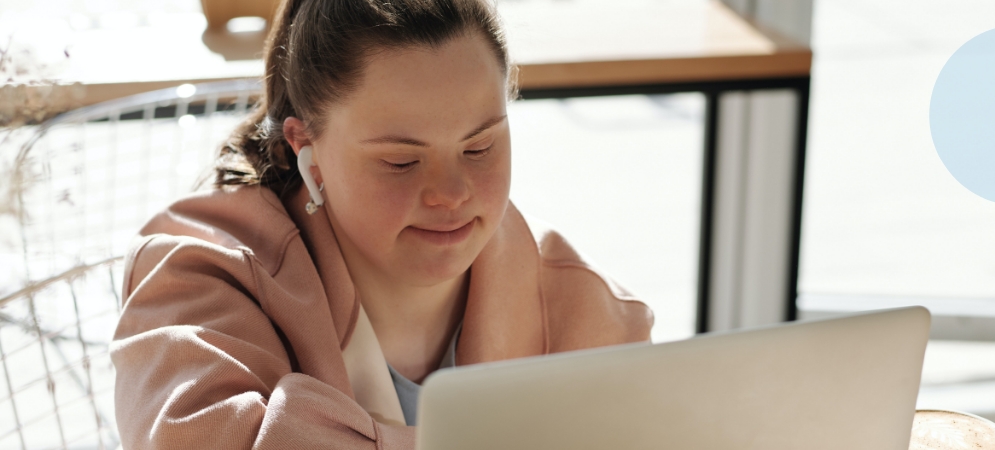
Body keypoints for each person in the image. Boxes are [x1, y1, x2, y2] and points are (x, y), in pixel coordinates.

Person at [109, 0, 654, 448]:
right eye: (401, 161)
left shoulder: (587, 309)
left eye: (480, 146)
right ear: (307, 147)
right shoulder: (199, 272)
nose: (451, 193)